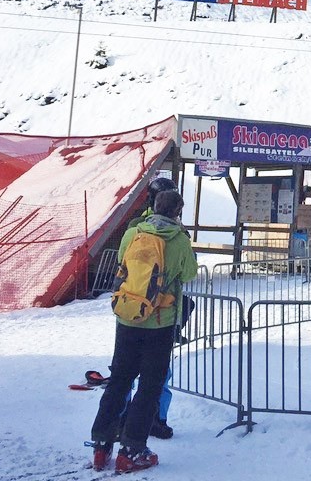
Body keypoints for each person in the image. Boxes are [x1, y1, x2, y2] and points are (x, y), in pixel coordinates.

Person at [88, 190, 197, 473]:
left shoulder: (133, 232)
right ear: (177, 212)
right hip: (159, 322)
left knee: (119, 380)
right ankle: (132, 449)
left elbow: (122, 262)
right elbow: (189, 274)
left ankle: (102, 445)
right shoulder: (179, 240)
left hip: (127, 317)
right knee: (149, 385)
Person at [121, 176, 183, 440]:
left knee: (124, 371)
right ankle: (156, 418)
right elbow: (187, 269)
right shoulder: (176, 232)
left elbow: (121, 260)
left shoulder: (135, 227)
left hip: (130, 306)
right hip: (161, 314)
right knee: (158, 374)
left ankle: (121, 417)